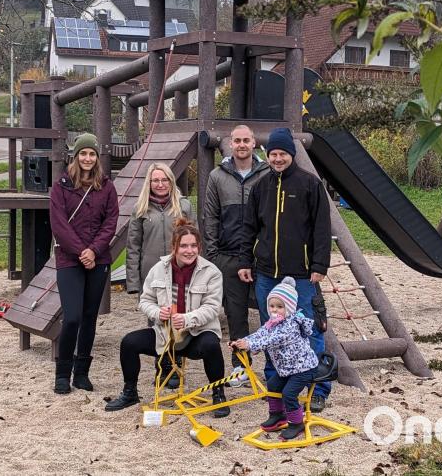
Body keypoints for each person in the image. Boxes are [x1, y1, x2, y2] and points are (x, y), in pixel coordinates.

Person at [237, 127, 332, 413]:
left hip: (301, 273)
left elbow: (321, 228)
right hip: (267, 272)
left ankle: (318, 388)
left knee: (308, 329)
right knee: (270, 331)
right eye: (273, 154)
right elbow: (249, 227)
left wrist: (319, 265)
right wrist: (245, 260)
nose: (277, 159)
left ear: (291, 155)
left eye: (282, 154)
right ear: (267, 155)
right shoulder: (261, 186)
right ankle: (275, 387)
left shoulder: (309, 184)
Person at [105, 219, 230, 418]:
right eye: (183, 246)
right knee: (129, 342)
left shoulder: (211, 272)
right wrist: (157, 313)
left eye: (193, 246)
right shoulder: (158, 269)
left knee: (212, 344)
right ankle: (130, 392)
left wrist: (188, 318)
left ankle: (219, 394)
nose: (189, 251)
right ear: (174, 247)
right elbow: (145, 301)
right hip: (165, 333)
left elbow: (213, 308)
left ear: (199, 247)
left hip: (197, 333)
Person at [49, 133, 119, 395]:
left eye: (92, 154)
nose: (87, 158)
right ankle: (62, 372)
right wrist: (81, 251)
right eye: (83, 153)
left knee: (90, 317)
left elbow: (111, 221)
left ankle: (82, 373)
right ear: (75, 156)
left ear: (97, 158)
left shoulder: (106, 187)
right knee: (72, 317)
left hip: (98, 258)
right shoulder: (61, 187)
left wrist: (94, 250)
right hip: (70, 259)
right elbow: (60, 224)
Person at [202, 125, 269, 384]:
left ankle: (275, 366)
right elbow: (211, 216)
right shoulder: (218, 176)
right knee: (236, 313)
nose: (241, 145)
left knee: (269, 311)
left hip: (261, 255)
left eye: (246, 140)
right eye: (237, 141)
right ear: (231, 144)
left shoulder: (266, 174)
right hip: (228, 254)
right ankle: (240, 365)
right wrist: (213, 253)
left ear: (254, 143)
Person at [127, 163, 195, 389]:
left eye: (164, 179)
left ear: (171, 181)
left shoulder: (183, 206)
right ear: (150, 183)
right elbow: (133, 246)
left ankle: (175, 365)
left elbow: (193, 238)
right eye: (156, 180)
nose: (160, 184)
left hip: (179, 271)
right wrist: (133, 282)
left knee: (178, 318)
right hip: (152, 272)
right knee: (157, 320)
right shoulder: (141, 209)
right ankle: (162, 365)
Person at [230, 277, 318, 440]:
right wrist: (244, 341)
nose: (275, 310)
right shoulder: (273, 322)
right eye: (272, 306)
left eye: (280, 307)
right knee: (272, 384)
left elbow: (272, 339)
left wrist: (250, 346)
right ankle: (278, 415)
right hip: (288, 368)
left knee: (289, 393)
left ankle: (296, 423)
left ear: (290, 308)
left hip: (304, 368)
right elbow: (261, 334)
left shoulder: (290, 326)